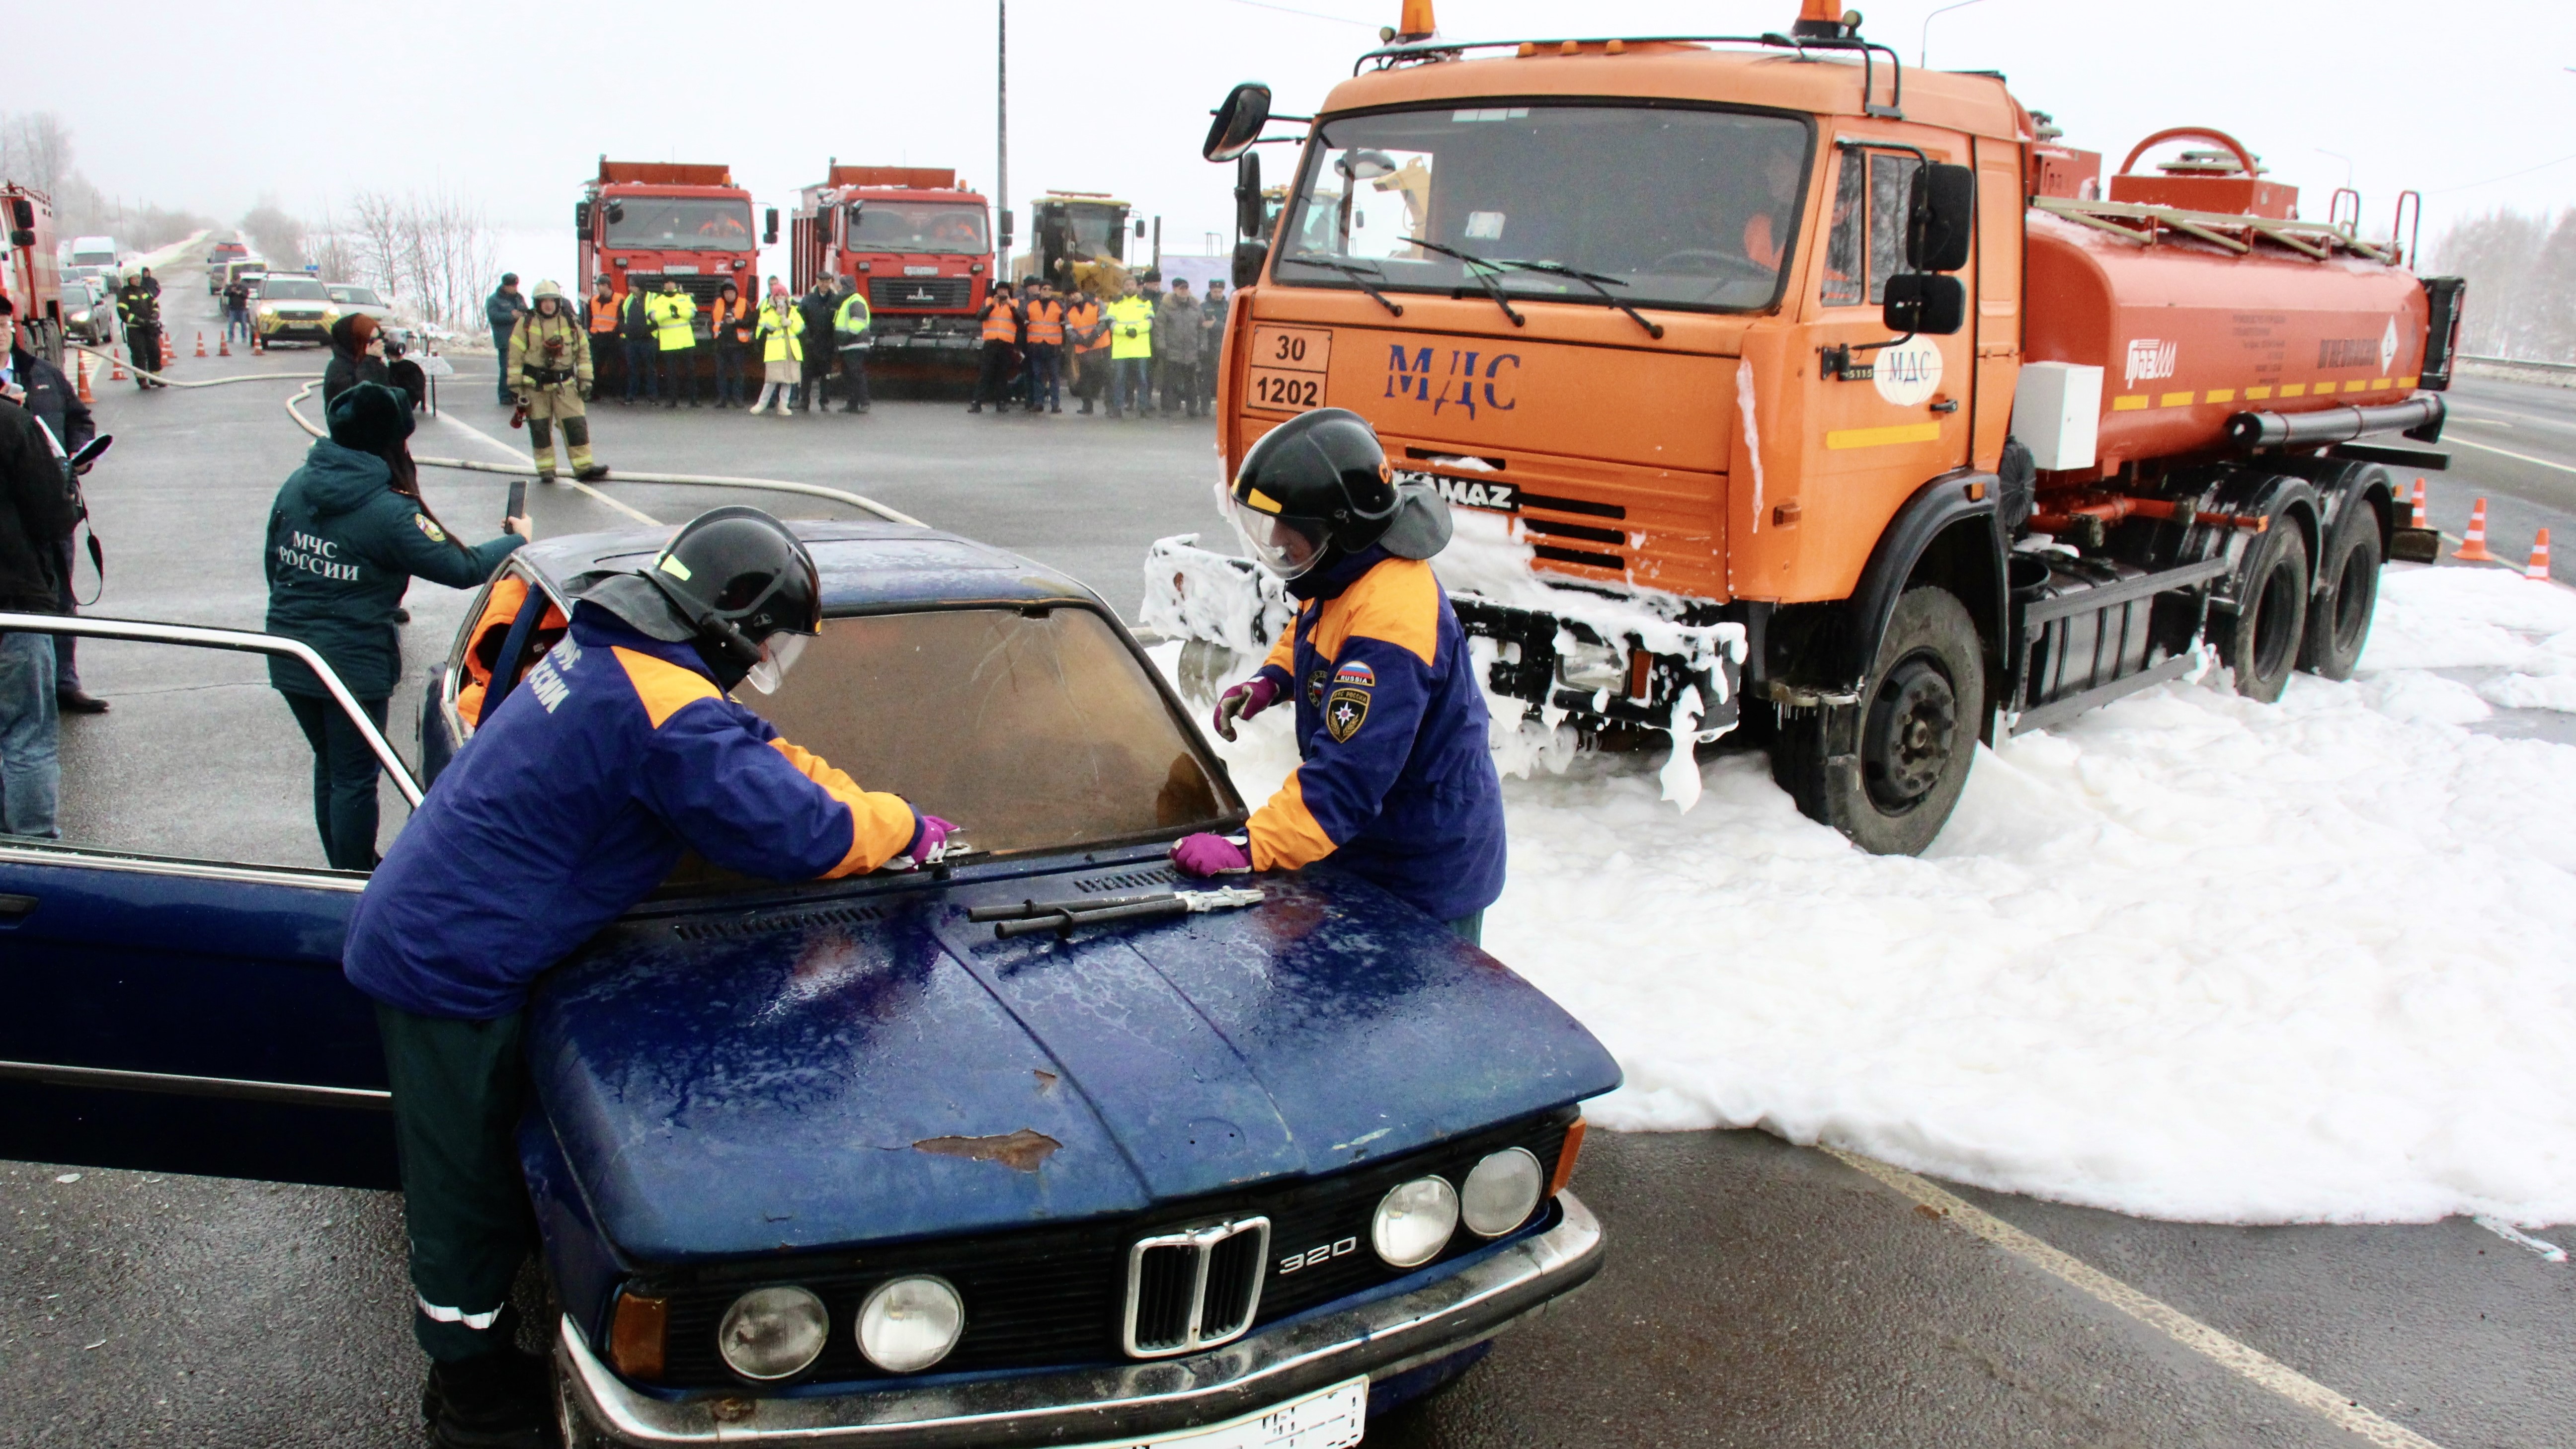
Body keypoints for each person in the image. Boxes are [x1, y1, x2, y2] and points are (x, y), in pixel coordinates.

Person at [339, 506, 950, 1449]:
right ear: (731, 627)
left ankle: (479, 1362)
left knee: (484, 1174)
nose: (770, 660)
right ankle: (469, 1398)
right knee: (462, 1195)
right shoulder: (667, 718)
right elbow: (796, 831)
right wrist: (900, 827)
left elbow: (760, 754)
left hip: (451, 930)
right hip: (447, 964)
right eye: (773, 641)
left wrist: (856, 792)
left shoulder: (623, 658)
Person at [1174, 408, 1505, 943]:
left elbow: (1347, 778)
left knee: (1405, 999)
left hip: (1423, 874)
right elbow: (1318, 623)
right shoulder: (1348, 571)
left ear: (1339, 528)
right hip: (1367, 844)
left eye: (1291, 536)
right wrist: (1273, 679)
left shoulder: (1392, 624)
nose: (1277, 542)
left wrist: (1251, 847)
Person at [263, 383, 527, 872]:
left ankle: (346, 863)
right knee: (354, 777)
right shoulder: (388, 510)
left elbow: (274, 563)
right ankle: (354, 879)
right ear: (391, 442)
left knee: (332, 767)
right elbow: (462, 567)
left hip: (290, 652)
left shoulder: (298, 484)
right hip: (351, 661)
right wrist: (517, 541)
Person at [6, 306, 104, 716]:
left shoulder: (43, 374)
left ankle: (65, 680)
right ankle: (27, 689)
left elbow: (80, 418)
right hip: (11, 517)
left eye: (3, 325)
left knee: (62, 594)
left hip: (53, 504)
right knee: (21, 599)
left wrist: (79, 454)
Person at [0, 386, 79, 837]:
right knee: (26, 734)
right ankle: (34, 853)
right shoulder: (12, 423)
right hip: (13, 604)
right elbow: (53, 517)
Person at [508, 281, 608, 483]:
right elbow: (515, 356)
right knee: (540, 428)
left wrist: (586, 379)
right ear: (537, 303)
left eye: (552, 301)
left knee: (576, 425)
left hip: (565, 385)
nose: (548, 305)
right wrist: (515, 386)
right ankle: (546, 469)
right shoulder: (526, 324)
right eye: (543, 301)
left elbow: (583, 352)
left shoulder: (570, 323)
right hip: (536, 387)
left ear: (558, 302)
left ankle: (584, 467)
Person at [749, 280, 805, 416]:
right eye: (778, 295)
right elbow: (762, 331)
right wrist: (778, 316)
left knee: (789, 381)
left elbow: (800, 328)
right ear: (773, 297)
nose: (780, 297)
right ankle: (761, 404)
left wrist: (789, 322)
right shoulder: (768, 312)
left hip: (791, 350)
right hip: (775, 351)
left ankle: (783, 405)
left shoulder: (793, 310)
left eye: (783, 295)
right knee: (771, 380)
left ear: (787, 296)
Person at [968, 280, 1023, 416]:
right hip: (991, 343)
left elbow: (1021, 320)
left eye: (1005, 290)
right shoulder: (988, 302)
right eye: (1000, 290)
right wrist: (992, 306)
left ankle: (1001, 403)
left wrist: (1011, 306)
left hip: (1006, 344)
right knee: (985, 374)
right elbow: (980, 316)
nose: (1003, 292)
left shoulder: (1015, 303)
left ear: (1009, 292)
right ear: (996, 291)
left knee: (1002, 375)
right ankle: (977, 403)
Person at [1105, 275, 1154, 420]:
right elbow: (1110, 323)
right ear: (1123, 287)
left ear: (1137, 286)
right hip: (1122, 349)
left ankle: (1143, 409)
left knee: (1142, 380)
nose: (1130, 287)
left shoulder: (1145, 302)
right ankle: (1117, 409)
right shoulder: (1115, 303)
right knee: (1119, 380)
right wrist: (1126, 331)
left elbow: (1150, 321)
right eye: (1127, 285)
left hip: (1140, 349)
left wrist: (1136, 330)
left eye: (1132, 285)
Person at [646, 279, 699, 408]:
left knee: (691, 372)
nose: (670, 285)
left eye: (672, 283)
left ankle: (694, 400)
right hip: (668, 343)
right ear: (664, 285)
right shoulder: (658, 300)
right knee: (671, 374)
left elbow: (693, 313)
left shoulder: (685, 298)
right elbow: (653, 317)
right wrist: (671, 313)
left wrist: (678, 312)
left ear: (676, 285)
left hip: (686, 341)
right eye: (667, 283)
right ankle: (672, 401)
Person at [1155, 278, 1204, 418]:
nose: (1184, 291)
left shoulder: (1196, 306)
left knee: (1191, 383)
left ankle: (1192, 408)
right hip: (1172, 351)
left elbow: (1202, 328)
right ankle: (1167, 408)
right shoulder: (1166, 307)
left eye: (1186, 288)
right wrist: (1161, 346)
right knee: (1169, 382)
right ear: (1175, 289)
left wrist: (1203, 346)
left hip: (1191, 351)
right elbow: (1160, 328)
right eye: (1180, 289)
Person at [322, 313, 393, 408]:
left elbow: (404, 399)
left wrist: (398, 364)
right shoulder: (338, 368)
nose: (377, 345)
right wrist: (370, 362)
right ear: (356, 341)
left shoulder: (376, 364)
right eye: (371, 340)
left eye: (379, 338)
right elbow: (357, 398)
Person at [1020, 280, 1064, 414]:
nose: (1047, 291)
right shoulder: (1031, 305)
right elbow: (1024, 324)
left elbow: (1064, 326)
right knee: (1038, 376)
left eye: (1050, 289)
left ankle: (1055, 405)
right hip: (1036, 346)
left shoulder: (1059, 305)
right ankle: (1039, 403)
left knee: (1054, 377)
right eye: (1045, 289)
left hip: (1053, 347)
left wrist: (1063, 345)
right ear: (1040, 290)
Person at [796, 277, 839, 414]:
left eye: (827, 282)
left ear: (830, 283)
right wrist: (806, 338)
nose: (824, 284)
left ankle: (824, 402)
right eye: (822, 282)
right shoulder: (808, 299)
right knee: (806, 374)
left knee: (826, 376)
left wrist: (834, 341)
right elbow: (800, 319)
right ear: (817, 283)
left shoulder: (836, 300)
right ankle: (804, 402)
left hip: (827, 344)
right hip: (811, 344)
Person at [709, 281, 754, 409]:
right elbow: (712, 321)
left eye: (731, 292)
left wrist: (736, 322)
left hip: (738, 346)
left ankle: (738, 399)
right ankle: (722, 399)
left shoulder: (744, 303)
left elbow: (749, 322)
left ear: (736, 293)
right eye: (726, 293)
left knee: (739, 373)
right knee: (721, 373)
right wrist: (714, 335)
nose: (729, 295)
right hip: (721, 345)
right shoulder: (718, 303)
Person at [831, 278, 872, 414]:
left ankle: (864, 403)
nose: (838, 289)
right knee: (849, 375)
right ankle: (853, 403)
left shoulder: (856, 300)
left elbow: (859, 322)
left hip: (855, 344)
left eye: (840, 286)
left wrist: (846, 336)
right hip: (848, 345)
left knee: (856, 374)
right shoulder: (847, 300)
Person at [484, 275, 527, 405]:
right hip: (504, 339)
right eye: (512, 286)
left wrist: (523, 315)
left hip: (520, 339)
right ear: (505, 286)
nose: (514, 288)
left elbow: (526, 311)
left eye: (516, 286)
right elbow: (494, 317)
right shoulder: (494, 300)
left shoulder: (519, 298)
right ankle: (504, 395)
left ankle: (516, 394)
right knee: (506, 369)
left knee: (519, 368)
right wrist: (511, 316)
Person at [1064, 287, 1107, 414]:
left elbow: (1104, 322)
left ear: (1080, 292)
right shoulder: (1069, 311)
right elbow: (1069, 331)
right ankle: (1087, 406)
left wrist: (1093, 337)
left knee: (1105, 376)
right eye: (1069, 295)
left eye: (1074, 293)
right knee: (1085, 378)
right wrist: (1081, 340)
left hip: (1101, 347)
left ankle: (1110, 408)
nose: (1073, 297)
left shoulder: (1097, 303)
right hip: (1083, 349)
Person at [115, 276, 163, 389]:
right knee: (139, 354)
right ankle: (142, 380)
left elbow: (155, 305)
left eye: (138, 278)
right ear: (128, 280)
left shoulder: (144, 291)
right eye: (134, 279)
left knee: (155, 352)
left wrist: (154, 316)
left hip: (149, 328)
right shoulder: (124, 294)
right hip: (135, 330)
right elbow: (123, 313)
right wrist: (140, 321)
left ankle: (156, 378)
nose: (137, 280)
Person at [619, 281, 657, 405]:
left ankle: (652, 397)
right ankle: (631, 396)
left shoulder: (653, 298)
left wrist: (647, 331)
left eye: (633, 286)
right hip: (632, 341)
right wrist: (625, 330)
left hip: (648, 340)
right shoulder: (629, 299)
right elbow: (622, 317)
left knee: (650, 369)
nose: (630, 288)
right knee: (632, 369)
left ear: (640, 287)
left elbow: (658, 318)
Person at [585, 277, 623, 398]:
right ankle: (595, 393)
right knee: (596, 366)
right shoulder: (593, 300)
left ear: (607, 286)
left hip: (612, 338)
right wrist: (591, 332)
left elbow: (621, 319)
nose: (598, 288)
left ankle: (615, 393)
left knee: (614, 367)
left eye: (599, 285)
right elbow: (589, 318)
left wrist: (616, 333)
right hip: (597, 338)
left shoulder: (619, 300)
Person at [1200, 280, 1230, 410]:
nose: (1217, 294)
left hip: (1224, 346)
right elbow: (1201, 325)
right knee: (1206, 378)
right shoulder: (1203, 307)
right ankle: (1205, 407)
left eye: (1220, 292)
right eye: (1215, 292)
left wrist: (1215, 325)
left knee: (1222, 379)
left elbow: (1232, 325)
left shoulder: (1229, 307)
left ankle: (1223, 407)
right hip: (1208, 347)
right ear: (1210, 291)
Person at [222, 277, 254, 344]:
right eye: (234, 280)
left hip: (242, 309)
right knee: (231, 324)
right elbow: (225, 293)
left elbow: (246, 296)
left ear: (239, 280)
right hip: (233, 309)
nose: (235, 282)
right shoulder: (230, 287)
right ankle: (231, 338)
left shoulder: (243, 287)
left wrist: (240, 293)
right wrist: (232, 292)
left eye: (237, 280)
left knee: (244, 324)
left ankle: (244, 337)